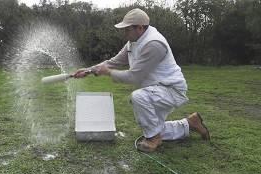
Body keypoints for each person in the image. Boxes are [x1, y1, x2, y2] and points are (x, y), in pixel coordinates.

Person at [73, 8, 210, 152]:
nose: (124, 33)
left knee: (138, 98)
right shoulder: (133, 41)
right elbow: (114, 61)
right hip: (156, 89)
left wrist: (108, 73)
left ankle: (154, 139)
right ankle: (189, 124)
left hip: (171, 89)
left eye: (127, 30)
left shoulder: (154, 44)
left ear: (140, 27)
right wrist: (88, 70)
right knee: (154, 127)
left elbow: (134, 77)